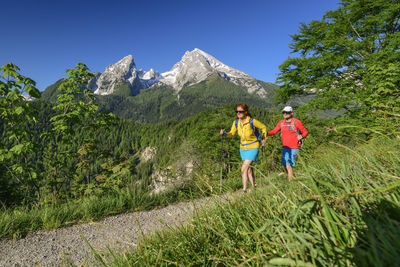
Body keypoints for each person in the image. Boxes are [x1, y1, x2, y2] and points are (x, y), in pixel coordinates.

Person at [220, 104, 267, 193]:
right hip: (243, 148)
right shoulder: (236, 122)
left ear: (246, 112)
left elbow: (263, 127)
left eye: (240, 111)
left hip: (253, 146)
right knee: (248, 169)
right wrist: (225, 134)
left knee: (243, 168)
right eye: (237, 111)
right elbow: (231, 134)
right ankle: (254, 187)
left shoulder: (252, 121)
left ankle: (244, 189)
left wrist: (264, 138)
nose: (238, 113)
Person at [267, 106, 308, 181]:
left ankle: (290, 183)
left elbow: (305, 131)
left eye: (287, 112)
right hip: (285, 147)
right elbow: (274, 131)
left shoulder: (296, 122)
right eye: (284, 112)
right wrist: (266, 134)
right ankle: (292, 177)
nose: (285, 114)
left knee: (288, 164)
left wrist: (301, 136)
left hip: (294, 147)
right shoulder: (281, 123)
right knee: (285, 165)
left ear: (291, 113)